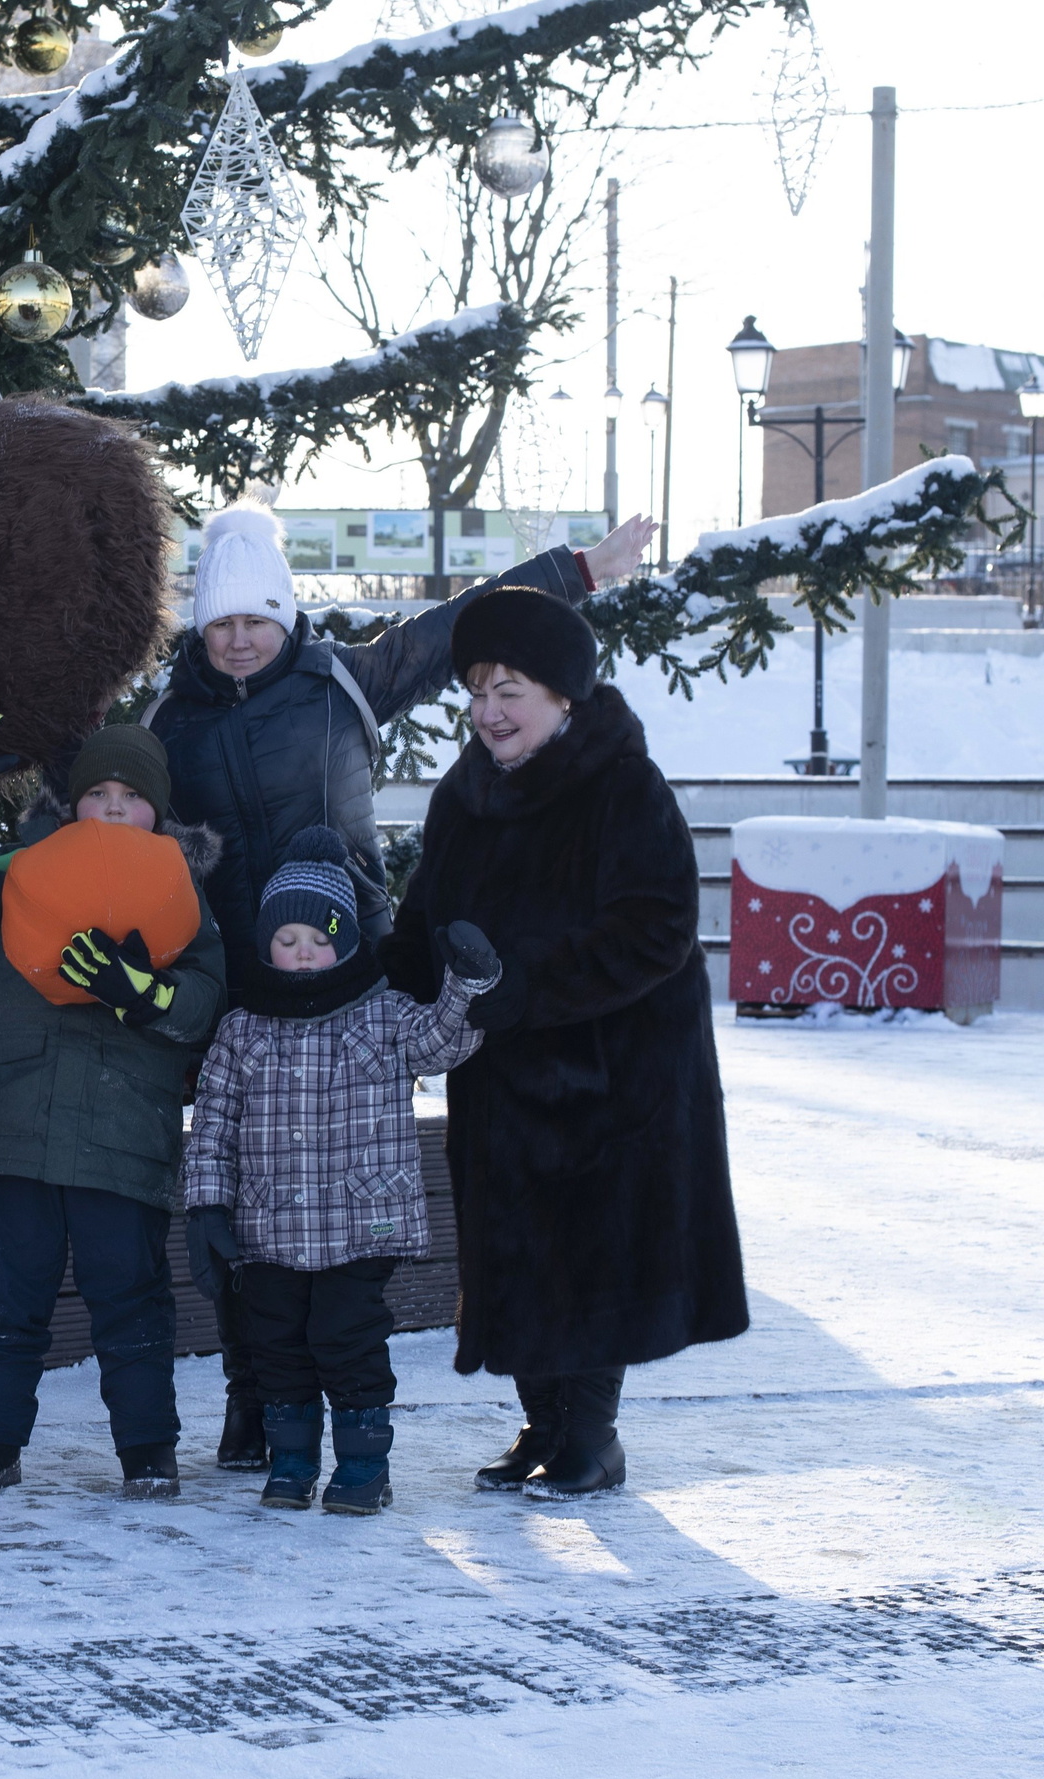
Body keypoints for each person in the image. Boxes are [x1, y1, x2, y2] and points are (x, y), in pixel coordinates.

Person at [142, 502, 655, 1473]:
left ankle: (521, 1419)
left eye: (256, 618)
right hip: (243, 994)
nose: (242, 638)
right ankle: (256, 1394)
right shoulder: (171, 719)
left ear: (284, 614)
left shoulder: (343, 676)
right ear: (202, 625)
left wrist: (578, 567)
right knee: (248, 1205)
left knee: (372, 1195)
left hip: (354, 986)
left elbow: (466, 620)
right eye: (223, 623)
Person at [383, 584, 747, 1500]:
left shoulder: (622, 784)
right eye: (477, 689)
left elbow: (658, 928)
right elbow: (428, 916)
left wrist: (525, 987)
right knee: (514, 1249)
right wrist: (381, 973)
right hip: (503, 1072)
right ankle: (544, 1427)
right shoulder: (464, 796)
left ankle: (591, 1437)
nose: (489, 710)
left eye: (512, 689)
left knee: (592, 1253)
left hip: (614, 1076)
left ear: (563, 696)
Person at [0, 709, 228, 1499]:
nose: (114, 806)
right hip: (16, 1129)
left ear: (159, 810)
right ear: (74, 802)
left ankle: (148, 1450)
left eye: (132, 794)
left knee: (132, 1306)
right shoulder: (22, 871)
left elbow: (204, 1002)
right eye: (99, 791)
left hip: (123, 1135)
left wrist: (141, 991)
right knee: (6, 1305)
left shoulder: (181, 893)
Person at [183, 828, 496, 1515]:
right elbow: (213, 1124)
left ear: (347, 943)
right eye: (286, 940)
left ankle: (362, 1467)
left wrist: (466, 984)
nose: (302, 954)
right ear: (266, 945)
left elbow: (441, 1040)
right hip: (268, 1227)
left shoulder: (381, 1015)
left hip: (360, 1221)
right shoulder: (244, 1030)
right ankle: (292, 1459)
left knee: (346, 1340)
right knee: (279, 1347)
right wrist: (208, 1207)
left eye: (318, 940)